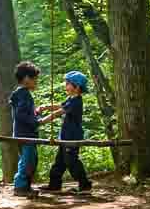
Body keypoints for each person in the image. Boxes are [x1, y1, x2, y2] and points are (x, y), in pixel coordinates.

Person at [38, 71, 93, 194]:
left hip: (72, 137)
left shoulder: (76, 101)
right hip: (65, 137)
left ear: (77, 87)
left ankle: (85, 185)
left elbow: (59, 112)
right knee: (59, 163)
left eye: (68, 83)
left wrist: (41, 121)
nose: (65, 85)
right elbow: (60, 106)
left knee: (72, 162)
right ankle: (54, 185)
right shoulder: (71, 99)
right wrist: (46, 106)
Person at [9, 61, 42, 197]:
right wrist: (36, 121)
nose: (36, 82)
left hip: (25, 133)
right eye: (35, 79)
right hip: (25, 134)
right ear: (27, 79)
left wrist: (36, 113)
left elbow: (24, 113)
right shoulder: (23, 94)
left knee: (31, 159)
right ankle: (20, 187)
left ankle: (26, 186)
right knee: (27, 160)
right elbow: (21, 114)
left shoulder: (22, 94)